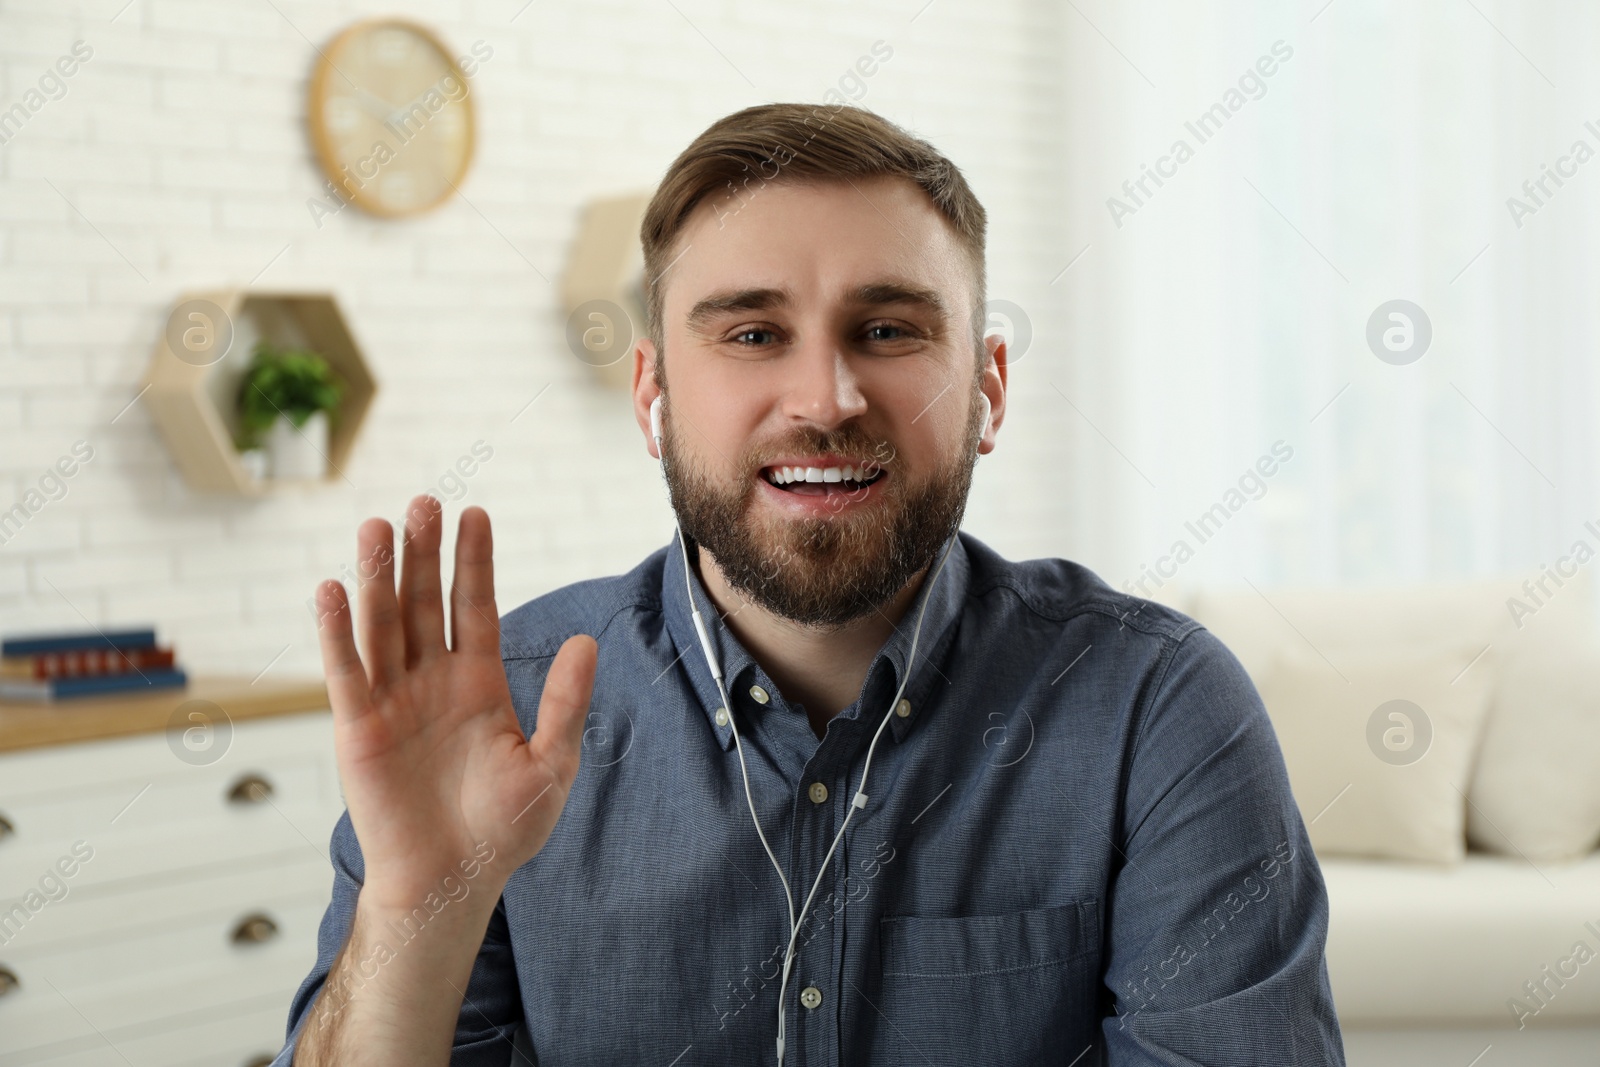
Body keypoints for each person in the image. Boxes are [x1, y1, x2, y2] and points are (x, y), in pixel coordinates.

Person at [275, 102, 1345, 1066]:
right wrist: (416, 909)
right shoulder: (498, 711)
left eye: (887, 330)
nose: (825, 398)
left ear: (987, 387)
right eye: (751, 333)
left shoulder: (1155, 709)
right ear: (653, 391)